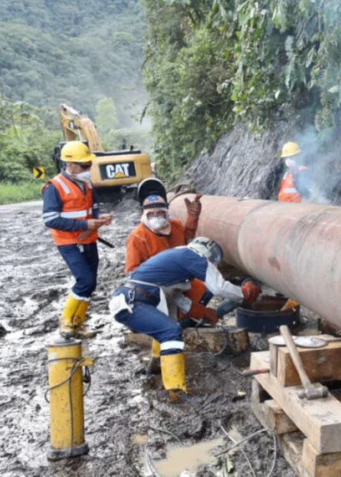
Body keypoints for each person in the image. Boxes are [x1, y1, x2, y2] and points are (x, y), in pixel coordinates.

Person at [109, 237, 261, 401]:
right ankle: (176, 389)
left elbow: (181, 301)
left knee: (166, 327)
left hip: (129, 300)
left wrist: (203, 312)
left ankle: (157, 364)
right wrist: (244, 293)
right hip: (133, 302)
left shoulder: (174, 262)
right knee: (171, 332)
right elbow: (219, 287)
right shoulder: (193, 255)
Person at [126, 180, 214, 372]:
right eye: (152, 214)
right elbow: (132, 273)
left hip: (180, 283)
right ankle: (164, 354)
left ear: (167, 212)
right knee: (170, 322)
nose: (157, 217)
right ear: (145, 215)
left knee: (204, 290)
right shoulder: (137, 238)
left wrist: (193, 217)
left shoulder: (174, 226)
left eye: (160, 213)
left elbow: (188, 238)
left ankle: (186, 321)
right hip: (154, 290)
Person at [42, 141, 113, 339]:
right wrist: (85, 225)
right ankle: (66, 321)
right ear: (70, 164)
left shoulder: (86, 184)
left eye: (89, 165)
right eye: (85, 165)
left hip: (88, 239)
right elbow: (50, 219)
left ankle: (78, 324)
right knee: (84, 280)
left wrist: (99, 218)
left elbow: (92, 208)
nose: (88, 169)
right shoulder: (54, 187)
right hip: (69, 242)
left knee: (90, 283)